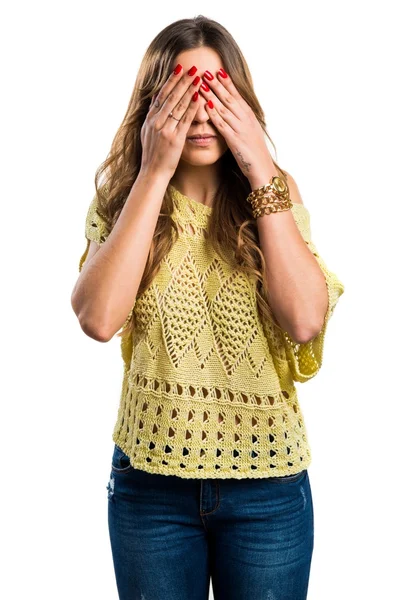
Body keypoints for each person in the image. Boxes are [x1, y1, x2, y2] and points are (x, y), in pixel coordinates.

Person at [71, 15, 345, 600]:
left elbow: (305, 319)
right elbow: (97, 318)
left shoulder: (274, 190)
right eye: (182, 93)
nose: (200, 113)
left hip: (267, 487)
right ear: (154, 104)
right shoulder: (122, 198)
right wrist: (152, 170)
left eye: (216, 93)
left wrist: (259, 168)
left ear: (241, 102)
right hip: (150, 485)